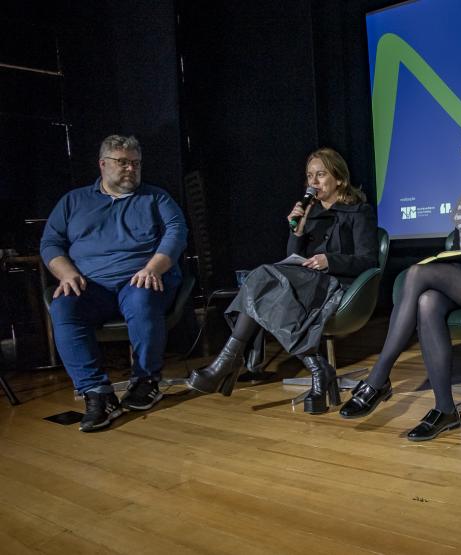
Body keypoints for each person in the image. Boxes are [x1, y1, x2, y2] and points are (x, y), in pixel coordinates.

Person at [339, 124, 461, 441]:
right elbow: (459, 248)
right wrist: (449, 261)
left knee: (419, 273)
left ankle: (378, 377)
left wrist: (446, 263)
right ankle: (445, 408)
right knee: (427, 300)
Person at [187, 148, 378, 414]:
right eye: (310, 175)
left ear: (339, 179)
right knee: (265, 282)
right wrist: (297, 230)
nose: (314, 182)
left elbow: (369, 260)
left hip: (335, 285)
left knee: (263, 281)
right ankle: (316, 367)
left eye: (321, 174)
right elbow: (293, 258)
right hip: (304, 283)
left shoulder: (359, 212)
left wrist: (329, 260)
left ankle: (229, 362)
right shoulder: (309, 214)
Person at [41, 135, 189, 432]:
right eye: (122, 163)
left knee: (142, 297)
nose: (131, 169)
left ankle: (146, 381)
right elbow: (50, 243)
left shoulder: (156, 197)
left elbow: (177, 233)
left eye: (135, 163)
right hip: (90, 284)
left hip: (139, 278)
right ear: (103, 164)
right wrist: (67, 274)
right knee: (64, 308)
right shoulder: (73, 201)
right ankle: (97, 392)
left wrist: (153, 268)